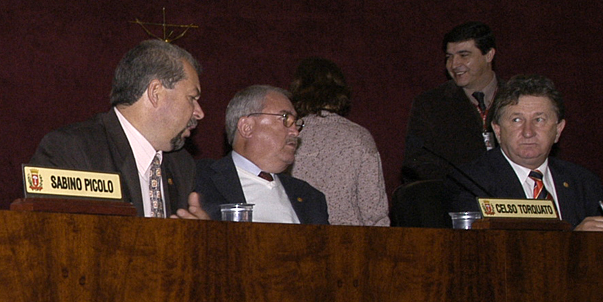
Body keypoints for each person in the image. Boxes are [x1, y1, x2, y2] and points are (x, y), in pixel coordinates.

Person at [28, 39, 209, 219]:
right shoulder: (70, 150)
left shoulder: (182, 165)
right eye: (192, 98)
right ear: (155, 93)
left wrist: (198, 237)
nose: (199, 113)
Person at [446, 74, 603, 231]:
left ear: (558, 130)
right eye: (517, 120)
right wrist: (574, 239)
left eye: (539, 120)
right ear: (498, 130)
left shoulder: (584, 183)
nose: (528, 132)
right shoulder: (470, 182)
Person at [196, 85, 330, 224]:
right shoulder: (197, 179)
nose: (295, 132)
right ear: (247, 127)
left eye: (296, 123)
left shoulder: (310, 197)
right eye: (285, 119)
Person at [288, 58, 389, 226]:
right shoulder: (359, 137)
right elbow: (374, 213)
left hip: (297, 238)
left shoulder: (289, 134)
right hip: (349, 242)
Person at [402, 21, 500, 183]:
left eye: (464, 55)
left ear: (489, 55)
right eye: (449, 57)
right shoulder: (430, 105)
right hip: (455, 200)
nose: (454, 65)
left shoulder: (518, 99)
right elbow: (416, 165)